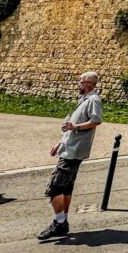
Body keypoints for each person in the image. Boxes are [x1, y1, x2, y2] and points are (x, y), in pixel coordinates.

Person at [39, 71, 103, 240]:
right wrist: (61, 142)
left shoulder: (93, 100)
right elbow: (72, 126)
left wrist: (75, 127)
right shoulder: (84, 100)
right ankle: (63, 221)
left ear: (89, 83)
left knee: (53, 188)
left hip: (74, 150)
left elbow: (96, 120)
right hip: (70, 147)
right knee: (66, 188)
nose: (78, 84)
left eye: (81, 81)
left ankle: (59, 223)